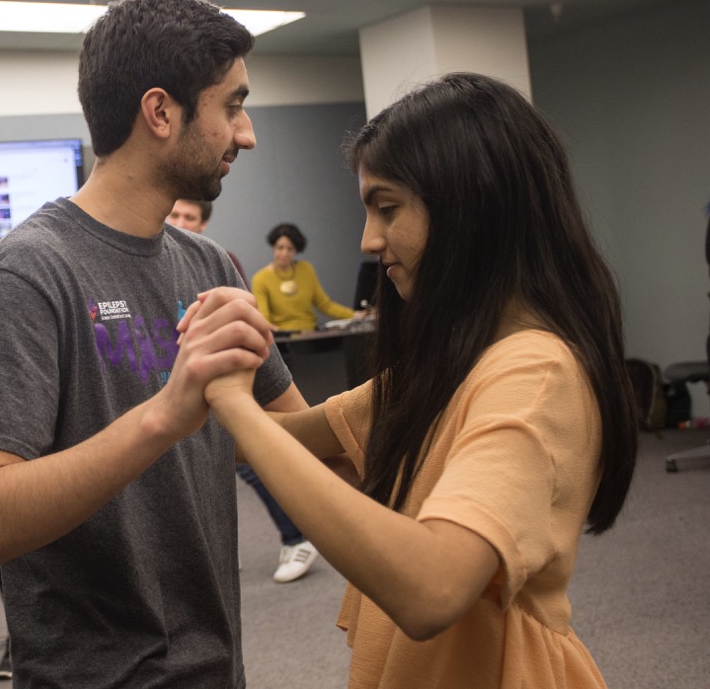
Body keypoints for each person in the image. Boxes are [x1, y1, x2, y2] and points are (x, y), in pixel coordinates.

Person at [199, 72, 639, 688]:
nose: (369, 239)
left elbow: (431, 589)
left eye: (387, 209)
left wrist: (233, 403)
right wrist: (216, 382)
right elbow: (279, 439)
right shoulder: (446, 369)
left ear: (472, 205)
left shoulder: (535, 375)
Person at [0, 0, 305, 687]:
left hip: (214, 667)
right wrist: (165, 415)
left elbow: (302, 439)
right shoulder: (33, 270)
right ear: (161, 112)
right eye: (231, 105)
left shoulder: (210, 264)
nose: (247, 133)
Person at [165, 199, 318, 583]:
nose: (180, 221)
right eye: (176, 214)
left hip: (222, 391)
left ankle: (297, 536)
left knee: (247, 465)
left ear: (204, 223)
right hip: (176, 389)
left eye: (190, 217)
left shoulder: (214, 262)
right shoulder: (158, 261)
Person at [252, 222, 359, 332]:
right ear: (273, 247)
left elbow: (325, 305)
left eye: (290, 249)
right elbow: (264, 318)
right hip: (283, 339)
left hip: (311, 334)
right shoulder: (260, 278)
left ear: (296, 250)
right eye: (280, 248)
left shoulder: (306, 269)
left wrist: (355, 315)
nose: (284, 253)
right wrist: (270, 330)